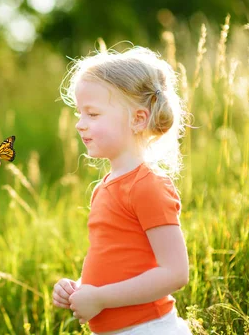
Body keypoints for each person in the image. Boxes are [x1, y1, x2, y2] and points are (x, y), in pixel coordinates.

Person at [52, 47, 192, 334]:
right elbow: (121, 264)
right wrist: (80, 288)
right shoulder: (104, 187)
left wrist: (101, 297)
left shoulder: (147, 186)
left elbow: (175, 273)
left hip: (149, 328)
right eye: (80, 113)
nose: (80, 124)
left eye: (92, 114)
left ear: (138, 119)